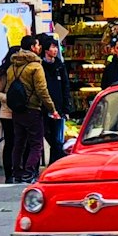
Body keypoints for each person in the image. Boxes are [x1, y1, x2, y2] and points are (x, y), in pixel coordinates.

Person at [7, 36, 59, 184]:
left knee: (19, 142)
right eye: (37, 45)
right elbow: (42, 90)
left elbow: (9, 88)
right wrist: (52, 108)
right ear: (32, 48)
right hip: (32, 109)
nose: (40, 48)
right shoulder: (36, 66)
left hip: (17, 109)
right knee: (37, 144)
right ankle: (29, 173)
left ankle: (17, 172)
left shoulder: (12, 66)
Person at [0, 45, 20, 183]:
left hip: (21, 112)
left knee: (20, 143)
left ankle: (18, 171)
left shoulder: (23, 70)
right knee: (10, 142)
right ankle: (9, 173)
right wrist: (9, 98)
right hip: (7, 113)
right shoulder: (3, 73)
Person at [41, 35, 72, 163]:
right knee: (48, 135)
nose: (55, 50)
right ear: (46, 50)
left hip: (58, 108)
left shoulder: (60, 66)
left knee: (58, 140)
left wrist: (66, 107)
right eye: (52, 47)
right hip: (44, 108)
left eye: (56, 47)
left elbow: (65, 86)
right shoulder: (40, 66)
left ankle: (54, 164)